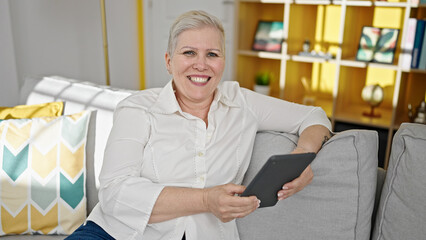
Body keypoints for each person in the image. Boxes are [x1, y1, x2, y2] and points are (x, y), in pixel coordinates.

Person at [66, 10, 332, 240]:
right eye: (189, 52)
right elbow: (114, 193)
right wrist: (206, 200)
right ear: (169, 61)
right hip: (116, 233)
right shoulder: (137, 109)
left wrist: (302, 157)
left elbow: (314, 116)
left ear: (223, 63)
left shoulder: (243, 103)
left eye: (212, 54)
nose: (201, 64)